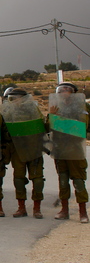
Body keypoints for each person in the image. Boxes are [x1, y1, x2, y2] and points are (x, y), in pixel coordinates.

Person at [0, 88, 46, 219]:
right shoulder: (6, 112)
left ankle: (37, 208)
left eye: (18, 98)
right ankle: (21, 207)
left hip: (34, 149)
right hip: (16, 150)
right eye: (12, 99)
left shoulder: (33, 111)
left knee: (37, 180)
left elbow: (42, 127)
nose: (15, 101)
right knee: (19, 179)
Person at [49, 82, 89, 223]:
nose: (64, 93)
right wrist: (51, 116)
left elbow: (83, 126)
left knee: (78, 181)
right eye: (61, 91)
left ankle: (83, 212)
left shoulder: (81, 108)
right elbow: (48, 127)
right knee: (63, 181)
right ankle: (64, 210)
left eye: (67, 90)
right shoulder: (55, 107)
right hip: (60, 148)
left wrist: (60, 119)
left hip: (75, 149)